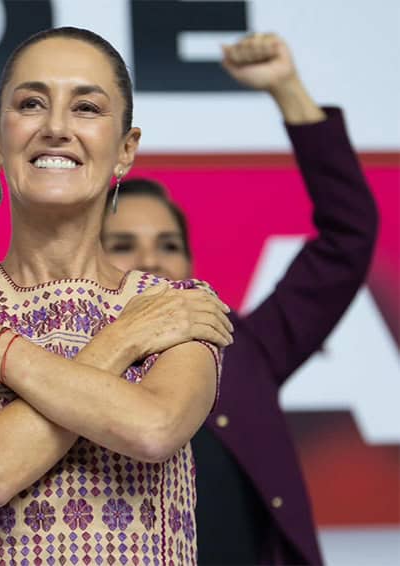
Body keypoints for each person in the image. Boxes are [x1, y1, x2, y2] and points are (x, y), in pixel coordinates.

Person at [0, 27, 234, 565]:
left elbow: (152, 429)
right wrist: (125, 341)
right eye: (31, 104)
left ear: (125, 150)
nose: (56, 128)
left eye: (87, 108)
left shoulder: (176, 304)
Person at [101, 34, 379, 565]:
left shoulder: (244, 349)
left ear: (189, 265)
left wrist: (286, 89)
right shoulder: (64, 365)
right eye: (122, 246)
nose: (151, 261)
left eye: (168, 245)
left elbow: (349, 236)